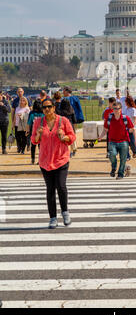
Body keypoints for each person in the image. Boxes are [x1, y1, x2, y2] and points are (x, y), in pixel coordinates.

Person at [31, 98, 76, 229]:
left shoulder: (63, 121)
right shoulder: (38, 122)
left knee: (61, 186)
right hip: (45, 161)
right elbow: (34, 140)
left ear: (54, 108)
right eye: (44, 108)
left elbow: (72, 137)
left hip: (61, 159)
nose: (46, 110)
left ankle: (65, 212)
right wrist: (38, 135)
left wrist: (64, 137)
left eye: (49, 107)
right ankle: (53, 217)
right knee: (50, 189)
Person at [98, 101, 134, 179]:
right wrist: (100, 136)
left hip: (124, 141)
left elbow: (132, 128)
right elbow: (105, 129)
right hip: (112, 141)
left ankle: (120, 174)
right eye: (114, 109)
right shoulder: (109, 118)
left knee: (123, 158)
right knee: (112, 154)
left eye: (117, 108)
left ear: (121, 109)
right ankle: (113, 167)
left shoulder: (125, 118)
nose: (116, 110)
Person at [63, 86, 84, 157]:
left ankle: (72, 149)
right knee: (72, 134)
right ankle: (73, 148)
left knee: (69, 134)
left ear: (67, 91)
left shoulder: (66, 99)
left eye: (64, 90)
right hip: (73, 119)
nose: (63, 92)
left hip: (69, 119)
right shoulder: (75, 98)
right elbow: (79, 109)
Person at [11, 88, 32, 153]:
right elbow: (13, 113)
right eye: (18, 92)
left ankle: (23, 149)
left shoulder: (27, 106)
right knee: (17, 137)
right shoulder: (16, 103)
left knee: (24, 137)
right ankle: (19, 147)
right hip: (17, 123)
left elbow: (30, 113)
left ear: (23, 92)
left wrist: (23, 116)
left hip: (24, 124)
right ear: (17, 93)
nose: (20, 93)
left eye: (21, 91)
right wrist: (13, 123)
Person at [26, 99, 44, 164]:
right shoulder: (43, 112)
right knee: (41, 146)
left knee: (33, 146)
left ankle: (33, 159)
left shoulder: (32, 113)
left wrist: (27, 131)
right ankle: (40, 160)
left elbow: (29, 123)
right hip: (42, 131)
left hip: (33, 130)